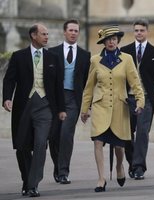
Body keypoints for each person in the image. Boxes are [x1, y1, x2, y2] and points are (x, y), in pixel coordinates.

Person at [2, 23, 66, 197]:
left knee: (40, 145)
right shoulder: (18, 56)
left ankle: (33, 184)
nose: (47, 37)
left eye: (47, 34)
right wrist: (7, 98)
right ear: (33, 36)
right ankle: (27, 180)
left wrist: (61, 109)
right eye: (43, 34)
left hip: (45, 107)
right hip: (24, 106)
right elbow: (9, 80)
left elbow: (58, 86)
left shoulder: (53, 58)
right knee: (22, 147)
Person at [80, 25, 145, 192]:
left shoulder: (127, 59)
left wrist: (140, 102)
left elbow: (135, 83)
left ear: (118, 41)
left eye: (114, 39)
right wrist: (84, 109)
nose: (111, 42)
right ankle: (101, 178)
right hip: (100, 106)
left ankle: (119, 166)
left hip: (119, 107)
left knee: (118, 146)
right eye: (108, 39)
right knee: (98, 142)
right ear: (104, 42)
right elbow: (89, 87)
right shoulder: (95, 60)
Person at [121, 19, 154, 180]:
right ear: (134, 32)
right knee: (126, 134)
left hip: (146, 99)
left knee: (142, 133)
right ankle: (132, 161)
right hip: (127, 99)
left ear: (147, 32)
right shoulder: (124, 51)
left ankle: (139, 167)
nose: (139, 33)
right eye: (136, 30)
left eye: (142, 30)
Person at [49, 19, 91, 184]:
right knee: (53, 136)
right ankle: (58, 168)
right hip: (55, 99)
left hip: (73, 99)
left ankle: (63, 172)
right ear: (64, 32)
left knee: (66, 134)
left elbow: (87, 82)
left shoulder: (84, 55)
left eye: (76, 31)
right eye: (71, 30)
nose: (74, 33)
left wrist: (86, 106)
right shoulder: (52, 52)